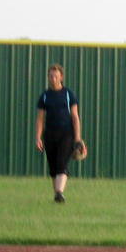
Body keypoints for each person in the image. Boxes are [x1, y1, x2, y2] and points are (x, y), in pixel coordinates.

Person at [34, 63, 85, 203]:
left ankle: (59, 192)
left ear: (61, 77)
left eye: (55, 76)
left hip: (66, 134)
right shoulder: (44, 96)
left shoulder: (69, 94)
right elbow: (40, 119)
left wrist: (78, 138)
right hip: (50, 134)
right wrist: (38, 137)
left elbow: (75, 116)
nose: (53, 78)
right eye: (50, 76)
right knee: (53, 167)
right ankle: (57, 194)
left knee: (62, 163)